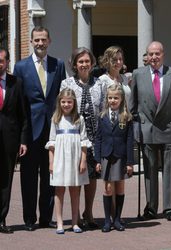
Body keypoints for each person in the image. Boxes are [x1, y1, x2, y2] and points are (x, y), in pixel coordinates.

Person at [13, 26, 66, 231]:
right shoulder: (21, 67)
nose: (40, 43)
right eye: (36, 40)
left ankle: (46, 217)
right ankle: (29, 219)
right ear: (31, 41)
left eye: (43, 40)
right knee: (28, 177)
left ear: (49, 41)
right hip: (29, 130)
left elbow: (63, 96)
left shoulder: (58, 65)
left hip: (52, 129)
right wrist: (21, 137)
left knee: (50, 175)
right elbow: (19, 102)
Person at [130, 41, 171, 221]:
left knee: (169, 169)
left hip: (169, 126)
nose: (154, 57)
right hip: (147, 128)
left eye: (157, 54)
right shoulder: (138, 74)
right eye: (151, 54)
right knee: (149, 169)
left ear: (163, 55)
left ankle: (170, 207)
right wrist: (135, 127)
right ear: (147, 56)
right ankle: (151, 207)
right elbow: (133, 104)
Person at [60, 47, 104, 229]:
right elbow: (63, 108)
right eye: (80, 62)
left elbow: (103, 108)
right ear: (74, 64)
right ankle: (75, 214)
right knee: (76, 176)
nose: (84, 64)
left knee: (92, 176)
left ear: (92, 63)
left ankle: (89, 212)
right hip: (74, 137)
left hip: (94, 137)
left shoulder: (99, 83)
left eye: (87, 61)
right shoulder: (66, 83)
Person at [45, 88, 90, 234]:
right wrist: (51, 162)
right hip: (59, 159)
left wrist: (83, 160)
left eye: (69, 102)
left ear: (74, 103)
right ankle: (59, 223)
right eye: (63, 102)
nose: (66, 105)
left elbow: (84, 142)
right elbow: (51, 142)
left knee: (75, 190)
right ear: (59, 102)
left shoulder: (79, 119)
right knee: (59, 190)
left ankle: (75, 222)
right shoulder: (55, 119)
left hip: (75, 158)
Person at [95, 84, 134, 232]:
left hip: (121, 156)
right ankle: (107, 221)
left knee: (120, 188)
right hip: (106, 156)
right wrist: (98, 160)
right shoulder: (102, 116)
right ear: (107, 99)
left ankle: (117, 219)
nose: (113, 100)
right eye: (110, 97)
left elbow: (130, 141)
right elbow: (98, 139)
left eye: (116, 98)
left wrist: (130, 162)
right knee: (108, 188)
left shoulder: (126, 117)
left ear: (121, 99)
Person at [0, 48, 28, 234]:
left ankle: (1, 219)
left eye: (2, 60)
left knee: (5, 181)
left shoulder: (16, 83)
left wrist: (23, 141)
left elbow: (23, 115)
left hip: (9, 140)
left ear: (8, 62)